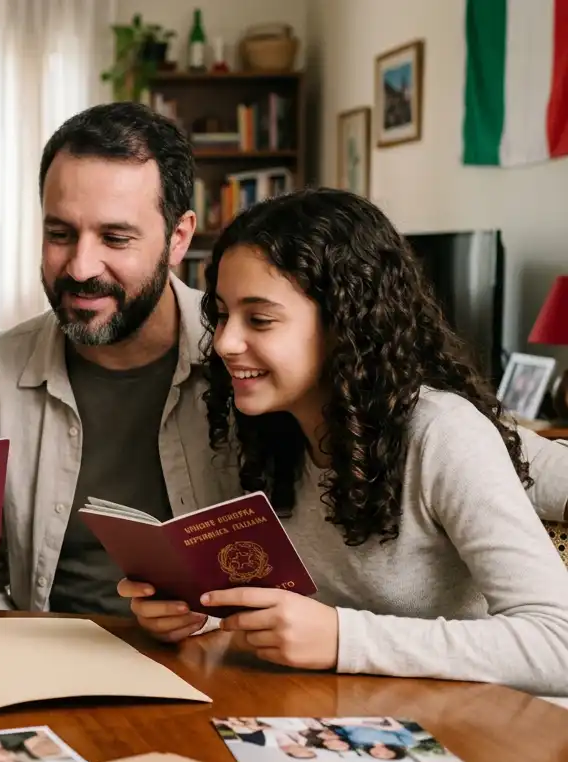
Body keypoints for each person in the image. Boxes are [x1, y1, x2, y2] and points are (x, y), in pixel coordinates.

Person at [0, 101, 568, 616]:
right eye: (60, 233)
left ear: (179, 238)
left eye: (116, 238)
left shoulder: (269, 371)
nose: (81, 266)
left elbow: (503, 460)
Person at [122, 188, 568, 695]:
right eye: (221, 314)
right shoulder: (263, 427)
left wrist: (343, 638)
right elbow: (274, 608)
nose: (224, 342)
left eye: (260, 319)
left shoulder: (443, 433)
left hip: (465, 727)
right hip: (331, 713)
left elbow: (560, 645)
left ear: (345, 325)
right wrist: (196, 613)